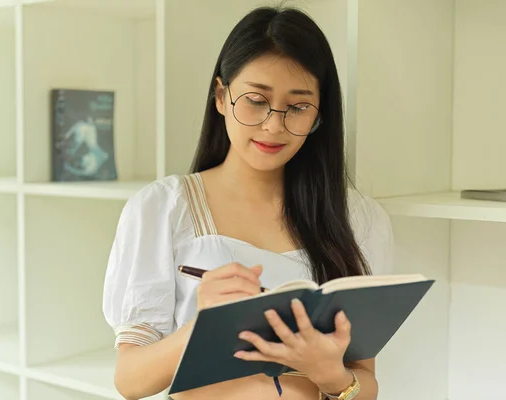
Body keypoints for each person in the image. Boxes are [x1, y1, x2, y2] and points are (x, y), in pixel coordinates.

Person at [102, 5, 393, 400]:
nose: (274, 125)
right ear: (221, 96)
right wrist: (203, 325)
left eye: (298, 107)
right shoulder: (163, 208)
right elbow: (130, 381)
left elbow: (366, 385)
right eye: (256, 100)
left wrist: (331, 376)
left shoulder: (357, 219)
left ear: (320, 115)